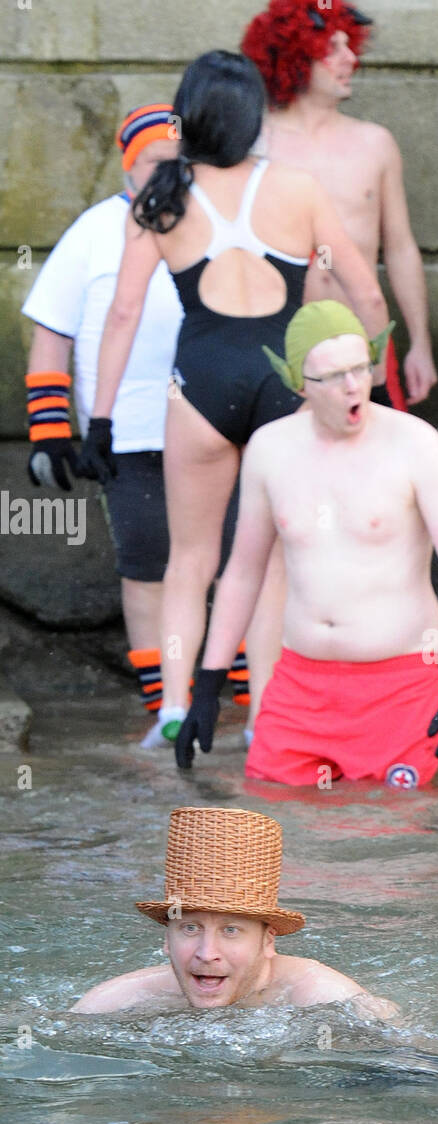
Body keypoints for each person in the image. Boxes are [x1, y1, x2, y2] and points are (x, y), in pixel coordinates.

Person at [86, 50, 389, 745]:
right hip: (283, 383)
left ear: (185, 112)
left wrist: (99, 419)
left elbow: (124, 314)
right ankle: (267, 718)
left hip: (199, 385)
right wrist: (365, 381)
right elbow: (364, 290)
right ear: (253, 114)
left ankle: (170, 714)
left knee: (188, 560)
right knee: (268, 558)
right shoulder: (298, 188)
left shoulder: (160, 196)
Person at [175, 301, 438, 789]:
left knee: (395, 842)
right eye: (332, 376)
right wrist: (208, 686)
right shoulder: (269, 448)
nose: (353, 386)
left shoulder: (417, 444)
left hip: (400, 686)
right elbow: (242, 573)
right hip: (299, 687)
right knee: (280, 830)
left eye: (360, 368)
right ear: (299, 384)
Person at [20, 105, 204, 747]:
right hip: (124, 431)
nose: (171, 176)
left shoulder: (208, 220)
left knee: (230, 558)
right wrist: (49, 430)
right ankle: (164, 704)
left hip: (209, 425)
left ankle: (229, 698)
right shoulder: (94, 231)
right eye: (157, 164)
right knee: (148, 560)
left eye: (181, 163)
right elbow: (50, 332)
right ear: (130, 167)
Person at [242, 0, 437, 409]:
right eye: (333, 48)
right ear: (296, 56)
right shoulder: (253, 145)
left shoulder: (376, 143)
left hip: (363, 343)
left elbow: (400, 248)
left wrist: (420, 343)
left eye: (351, 46)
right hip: (281, 350)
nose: (351, 59)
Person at [72, 805, 397, 1015]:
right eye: (190, 928)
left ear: (268, 941)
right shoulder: (117, 1003)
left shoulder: (324, 1001)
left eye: (231, 930)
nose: (207, 953)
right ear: (166, 939)